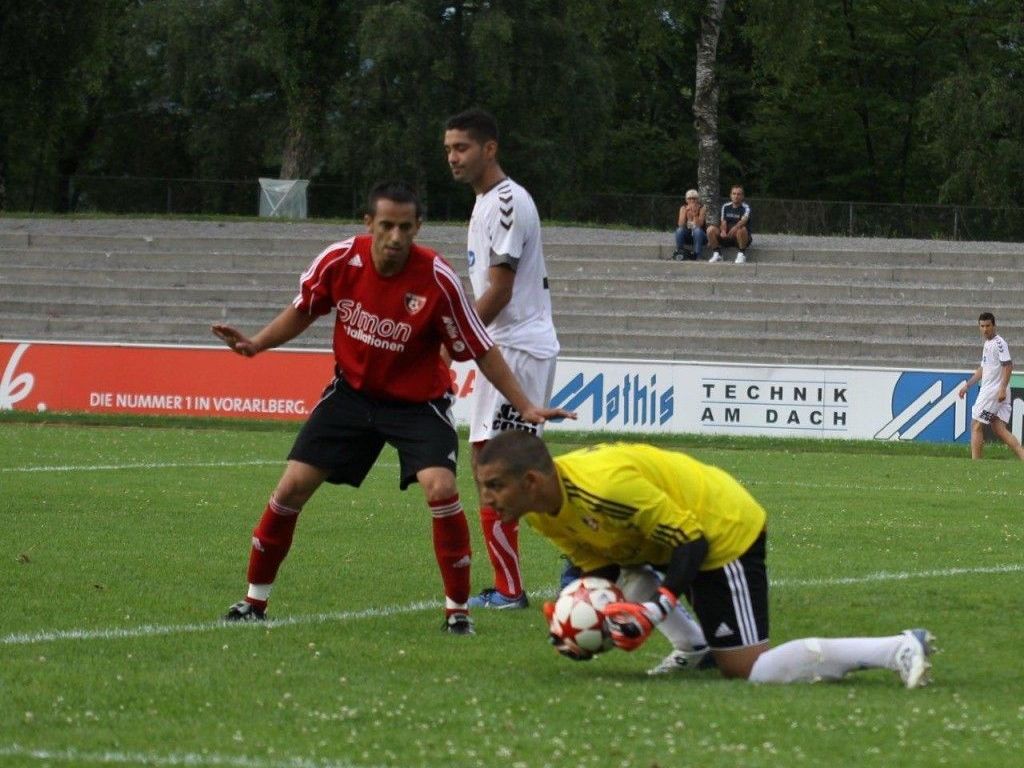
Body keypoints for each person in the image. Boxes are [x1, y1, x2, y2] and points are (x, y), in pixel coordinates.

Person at [211, 180, 573, 636]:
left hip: (418, 403)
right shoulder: (340, 259)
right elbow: (305, 308)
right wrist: (257, 343)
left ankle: (457, 613)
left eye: (405, 227)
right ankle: (253, 602)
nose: (396, 237)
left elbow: (481, 347)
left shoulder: (438, 279)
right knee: (290, 490)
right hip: (352, 395)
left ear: (418, 227)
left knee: (441, 488)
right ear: (369, 224)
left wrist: (526, 404)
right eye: (386, 226)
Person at [475, 432, 935, 687]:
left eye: (495, 485)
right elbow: (604, 566)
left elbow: (691, 542)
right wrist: (580, 619)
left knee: (752, 671)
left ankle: (897, 647)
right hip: (669, 538)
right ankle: (694, 649)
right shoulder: (538, 512)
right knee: (628, 581)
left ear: (532, 479)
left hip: (721, 529)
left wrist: (652, 610)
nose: (488, 497)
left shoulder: (605, 489)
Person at [443, 108, 561, 610]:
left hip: (519, 349)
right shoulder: (485, 203)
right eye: (448, 149)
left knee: (505, 470)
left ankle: (518, 588)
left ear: (490, 148)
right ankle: (509, 586)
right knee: (491, 466)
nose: (453, 158)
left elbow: (503, 290)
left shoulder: (509, 202)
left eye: (462, 148)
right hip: (503, 347)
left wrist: (453, 337)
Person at [957, 312, 1024, 460]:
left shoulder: (999, 343)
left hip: (994, 391)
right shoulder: (988, 344)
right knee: (999, 428)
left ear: (994, 325)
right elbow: (983, 368)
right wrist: (967, 385)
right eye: (982, 326)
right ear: (979, 327)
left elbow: (1008, 366)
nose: (985, 329)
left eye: (988, 326)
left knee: (976, 424)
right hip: (995, 390)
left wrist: (1001, 388)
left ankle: (975, 465)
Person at [707, 185, 752, 264]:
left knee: (741, 229)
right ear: (730, 195)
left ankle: (741, 254)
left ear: (742, 196)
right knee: (710, 229)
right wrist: (723, 231)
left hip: (739, 237)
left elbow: (743, 221)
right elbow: (723, 221)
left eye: (738, 194)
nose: (736, 196)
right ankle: (717, 254)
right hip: (727, 236)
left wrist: (734, 229)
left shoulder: (746, 207)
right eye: (734, 194)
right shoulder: (726, 206)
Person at [673, 189, 707, 261]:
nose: (692, 200)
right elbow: (680, 224)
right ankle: (680, 253)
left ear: (697, 199)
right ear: (686, 200)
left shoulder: (702, 208)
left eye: (694, 198)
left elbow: (699, 225)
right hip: (688, 234)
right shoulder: (683, 208)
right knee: (679, 231)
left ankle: (698, 255)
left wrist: (694, 214)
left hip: (700, 236)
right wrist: (686, 213)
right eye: (690, 198)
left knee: (697, 231)